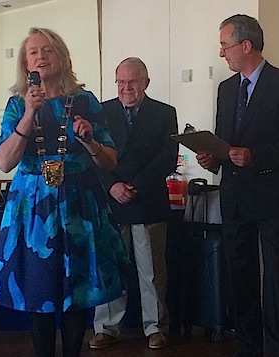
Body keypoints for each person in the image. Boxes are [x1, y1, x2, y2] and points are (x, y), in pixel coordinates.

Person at [0, 27, 128, 357]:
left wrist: (90, 140)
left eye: (47, 50)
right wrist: (30, 113)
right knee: (40, 290)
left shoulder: (86, 101)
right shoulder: (17, 105)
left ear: (61, 56)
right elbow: (5, 161)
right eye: (33, 52)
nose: (41, 56)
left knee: (78, 290)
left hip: (79, 202)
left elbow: (109, 161)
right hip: (33, 207)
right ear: (25, 63)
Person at [196, 14, 279, 357]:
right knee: (240, 277)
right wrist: (212, 158)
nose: (222, 54)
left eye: (225, 46)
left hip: (272, 196)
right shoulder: (226, 89)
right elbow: (225, 142)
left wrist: (255, 155)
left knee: (275, 279)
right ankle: (248, 346)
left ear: (246, 46)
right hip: (234, 198)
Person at [89, 57, 178, 350]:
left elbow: (167, 157)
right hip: (111, 201)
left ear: (146, 83)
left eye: (133, 82)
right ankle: (106, 327)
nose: (126, 88)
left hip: (148, 200)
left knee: (152, 271)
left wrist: (136, 186)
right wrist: (112, 185)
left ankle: (156, 327)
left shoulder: (165, 113)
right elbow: (93, 156)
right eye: (121, 82)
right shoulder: (100, 111)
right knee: (110, 268)